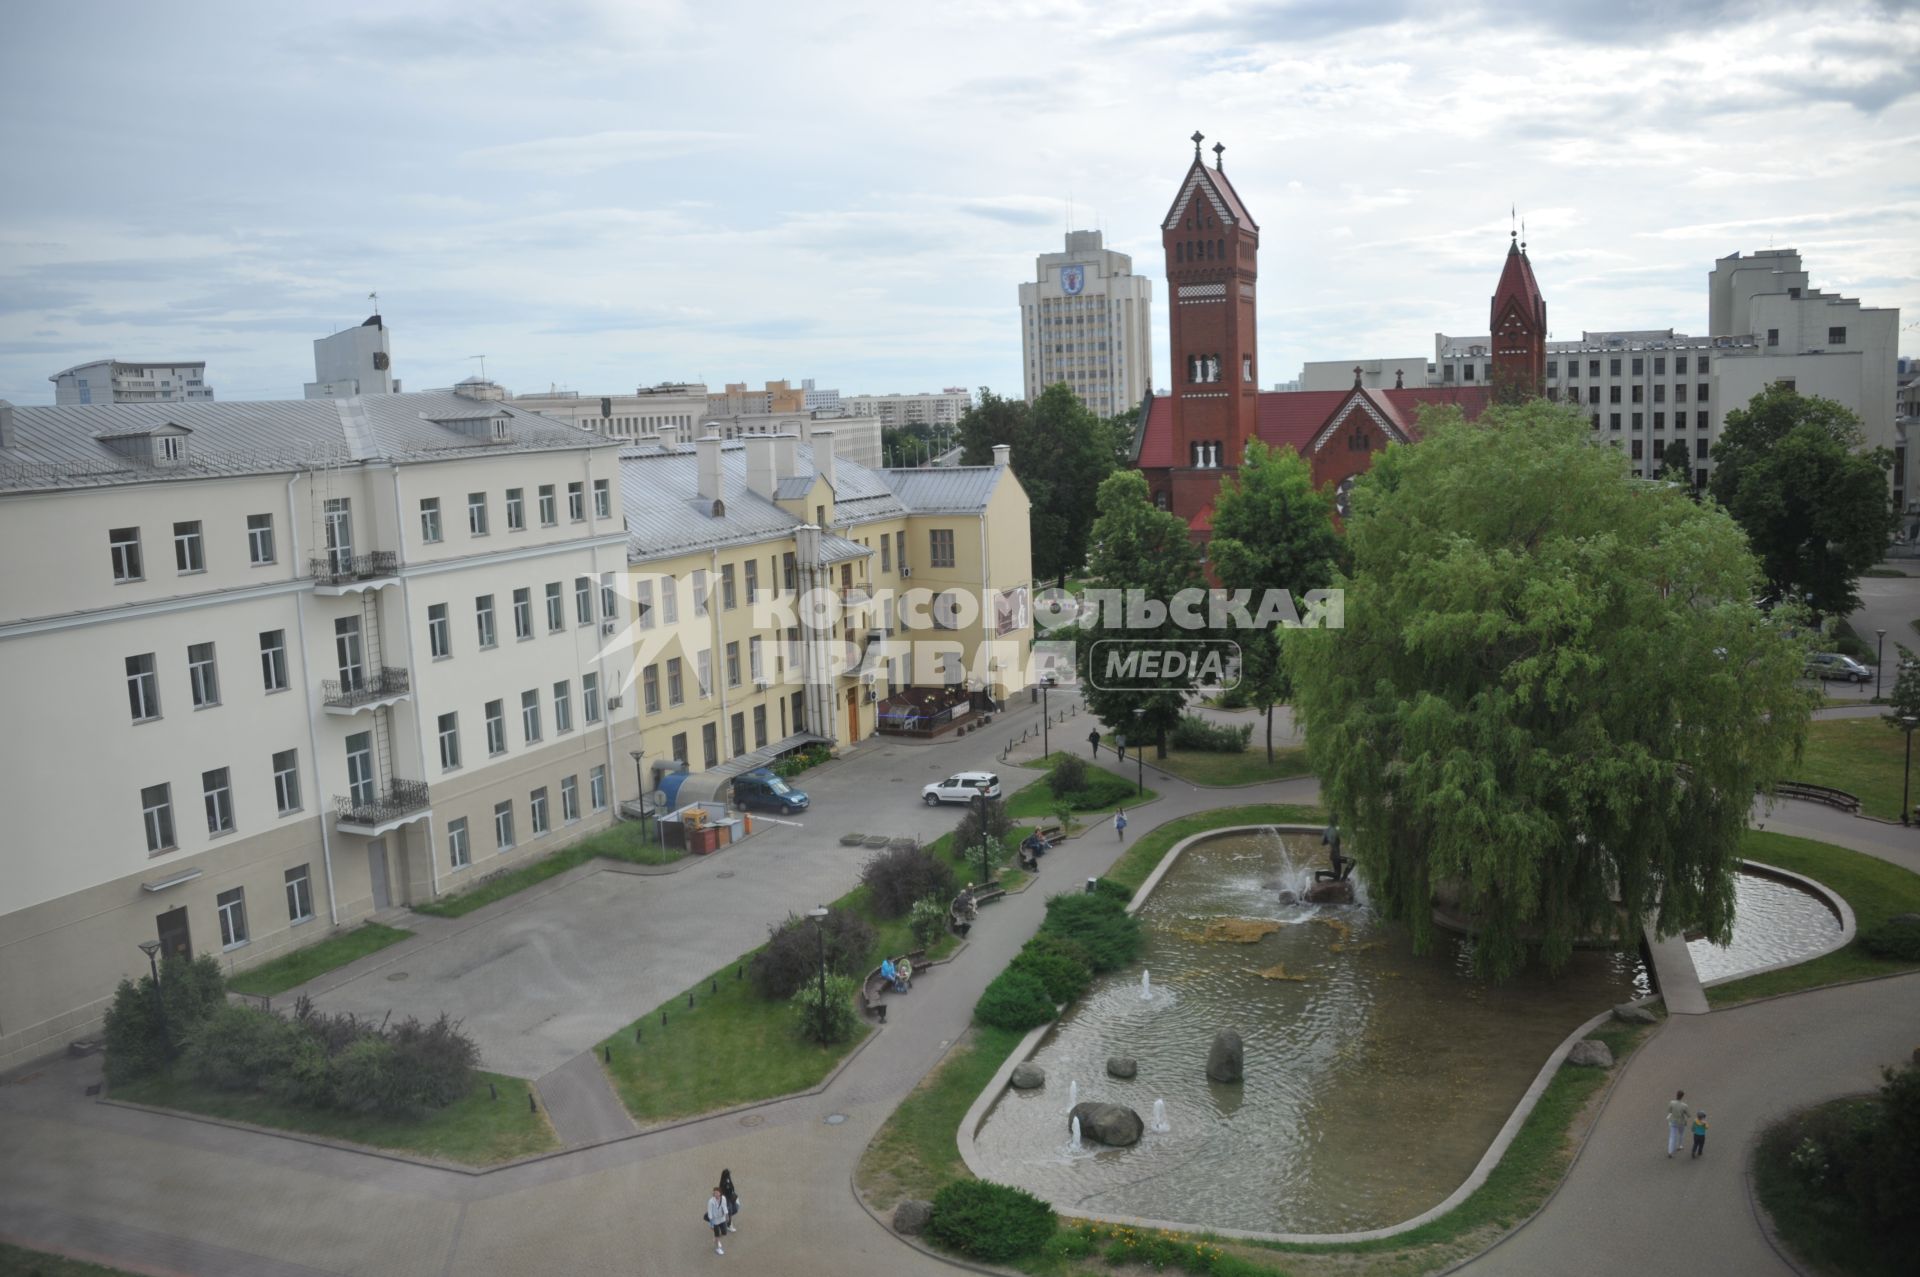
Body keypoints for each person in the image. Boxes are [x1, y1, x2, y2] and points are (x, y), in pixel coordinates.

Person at [705, 1185, 730, 1255]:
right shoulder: (710, 1201)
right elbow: (709, 1211)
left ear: (720, 1193)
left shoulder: (723, 1198)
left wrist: (727, 1215)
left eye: (716, 1192)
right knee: (717, 1234)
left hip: (722, 1218)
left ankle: (716, 1239)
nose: (715, 1194)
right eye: (714, 1193)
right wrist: (711, 1223)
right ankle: (718, 1248)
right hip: (715, 1220)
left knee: (724, 1232)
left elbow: (724, 1206)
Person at [1667, 1090, 1691, 1158]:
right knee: (1681, 1134)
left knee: (1672, 1137)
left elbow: (1669, 1111)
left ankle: (1670, 1152)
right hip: (1681, 1122)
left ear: (1676, 1095)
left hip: (1673, 1121)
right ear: (1682, 1096)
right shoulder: (1684, 1105)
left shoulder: (1671, 1102)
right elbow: (1688, 1115)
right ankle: (1680, 1145)